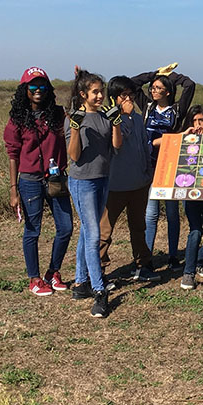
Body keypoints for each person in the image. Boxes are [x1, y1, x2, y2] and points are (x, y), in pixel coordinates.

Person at [4, 66, 72, 297]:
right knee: (33, 231)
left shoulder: (59, 114)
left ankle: (53, 272)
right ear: (25, 89)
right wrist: (14, 190)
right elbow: (13, 155)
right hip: (30, 181)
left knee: (66, 227)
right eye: (33, 86)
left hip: (56, 178)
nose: (38, 90)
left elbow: (77, 119)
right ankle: (34, 278)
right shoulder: (17, 121)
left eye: (42, 85)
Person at [67, 68, 128, 318]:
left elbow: (117, 146)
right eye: (95, 92)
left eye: (101, 91)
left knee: (87, 231)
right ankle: (99, 290)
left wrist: (115, 124)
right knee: (93, 234)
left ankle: (81, 283)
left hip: (103, 178)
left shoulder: (104, 116)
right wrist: (74, 129)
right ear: (83, 95)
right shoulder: (76, 117)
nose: (100, 96)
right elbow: (73, 156)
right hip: (82, 181)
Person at [98, 76, 159, 287]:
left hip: (139, 183)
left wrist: (148, 174)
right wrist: (122, 116)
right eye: (124, 95)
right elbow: (117, 145)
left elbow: (145, 147)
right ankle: (98, 271)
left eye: (131, 95)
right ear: (114, 98)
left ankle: (143, 264)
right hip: (115, 185)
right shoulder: (108, 119)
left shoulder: (138, 119)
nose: (129, 99)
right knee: (105, 230)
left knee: (138, 226)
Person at [135, 67, 195, 271]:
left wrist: (171, 77)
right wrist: (153, 74)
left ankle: (172, 256)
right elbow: (133, 83)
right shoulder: (147, 107)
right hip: (149, 165)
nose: (153, 91)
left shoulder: (177, 110)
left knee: (171, 213)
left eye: (158, 88)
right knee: (150, 214)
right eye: (152, 88)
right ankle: (146, 258)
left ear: (167, 92)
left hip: (169, 166)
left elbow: (189, 85)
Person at [178, 105, 203, 290]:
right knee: (195, 231)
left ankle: (200, 260)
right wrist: (186, 137)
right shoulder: (185, 139)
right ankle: (188, 273)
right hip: (191, 194)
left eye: (201, 120)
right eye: (194, 121)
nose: (197, 124)